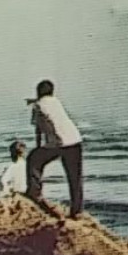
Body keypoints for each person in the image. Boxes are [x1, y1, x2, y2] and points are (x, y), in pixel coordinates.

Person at [27, 79, 84, 216]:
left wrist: (38, 146)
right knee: (75, 178)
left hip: (57, 144)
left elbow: (38, 128)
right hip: (75, 141)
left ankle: (34, 192)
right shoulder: (55, 101)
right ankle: (76, 211)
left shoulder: (38, 105)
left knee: (33, 160)